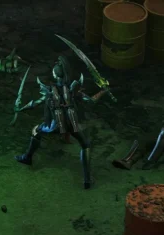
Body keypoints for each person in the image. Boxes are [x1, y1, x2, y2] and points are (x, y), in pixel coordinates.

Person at [13, 55, 111, 189]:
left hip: (55, 126)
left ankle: (27, 158)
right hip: (72, 124)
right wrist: (103, 91)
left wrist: (20, 108)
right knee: (85, 145)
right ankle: (87, 180)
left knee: (36, 131)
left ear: (54, 75)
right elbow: (90, 101)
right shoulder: (73, 89)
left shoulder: (49, 91)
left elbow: (35, 103)